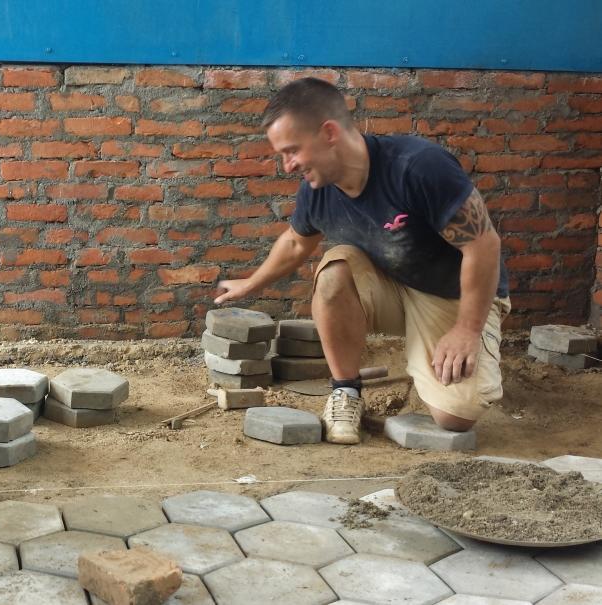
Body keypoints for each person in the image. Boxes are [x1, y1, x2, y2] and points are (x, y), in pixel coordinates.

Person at [215, 78, 509, 445]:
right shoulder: (317, 189)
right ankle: (346, 391)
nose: (287, 166)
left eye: (291, 151)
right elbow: (295, 242)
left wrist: (466, 330)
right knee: (335, 270)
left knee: (454, 418)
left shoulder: (418, 167)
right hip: (390, 284)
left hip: (453, 295)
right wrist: (251, 283)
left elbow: (484, 246)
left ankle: (444, 355)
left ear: (328, 133)